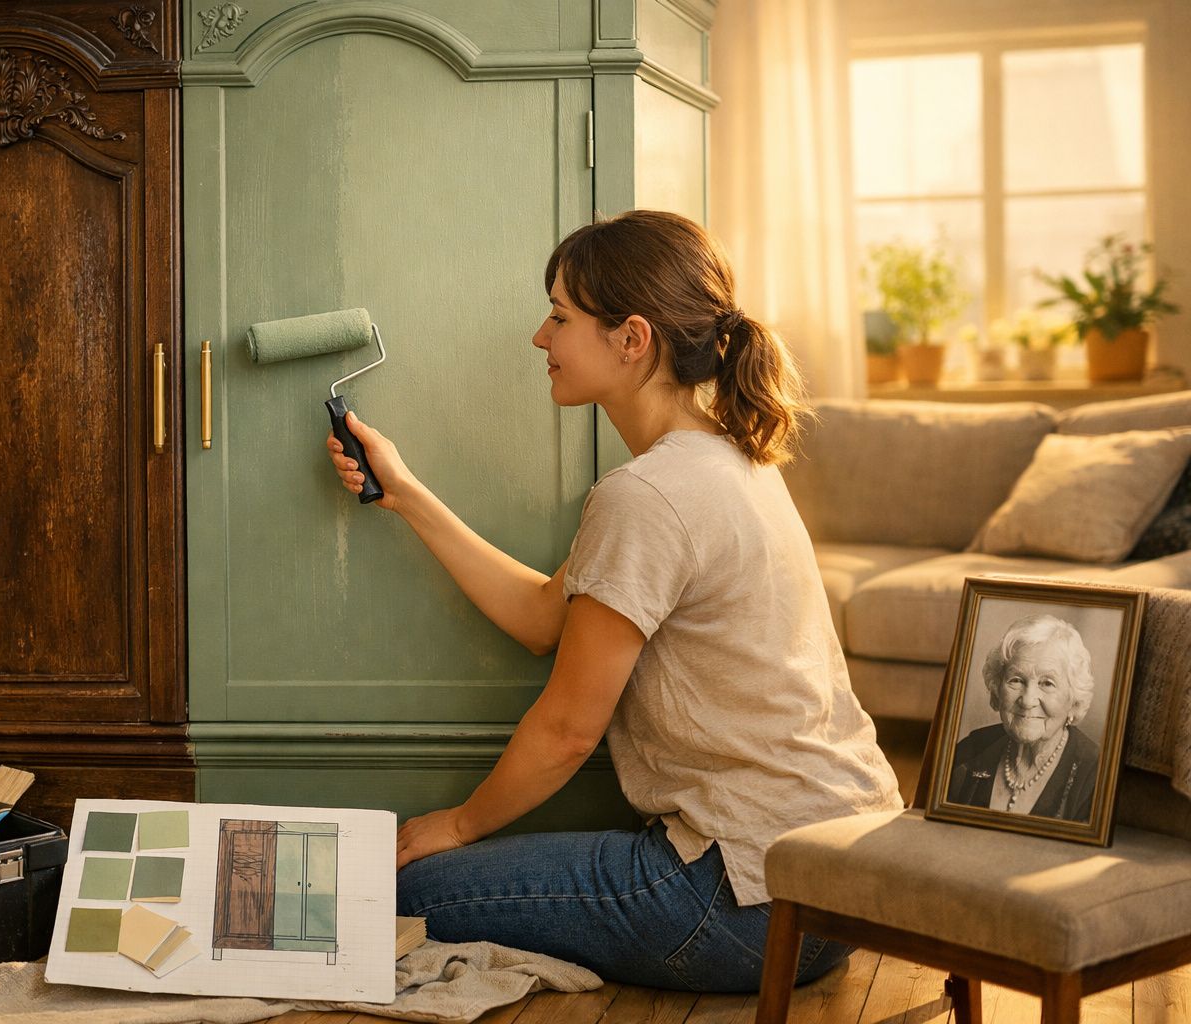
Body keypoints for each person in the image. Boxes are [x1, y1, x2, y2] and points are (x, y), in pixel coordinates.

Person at [324, 210, 903, 992]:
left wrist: (455, 826)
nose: (540, 338)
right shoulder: (727, 462)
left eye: (560, 317)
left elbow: (566, 731)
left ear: (632, 339)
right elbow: (540, 616)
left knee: (401, 893)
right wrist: (408, 495)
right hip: (840, 885)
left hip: (744, 903)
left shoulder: (648, 496)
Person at [946, 614, 1099, 822]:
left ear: (1074, 700)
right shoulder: (968, 754)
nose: (1027, 700)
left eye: (1047, 683)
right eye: (1016, 680)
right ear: (997, 690)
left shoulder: (1096, 776)